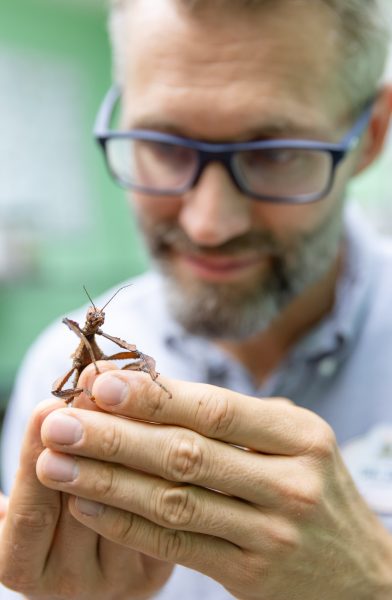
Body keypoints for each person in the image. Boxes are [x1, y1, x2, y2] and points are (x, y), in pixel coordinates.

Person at [1, 0, 392, 598]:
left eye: (274, 153)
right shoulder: (51, 369)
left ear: (369, 137)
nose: (209, 224)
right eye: (163, 143)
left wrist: (377, 583)